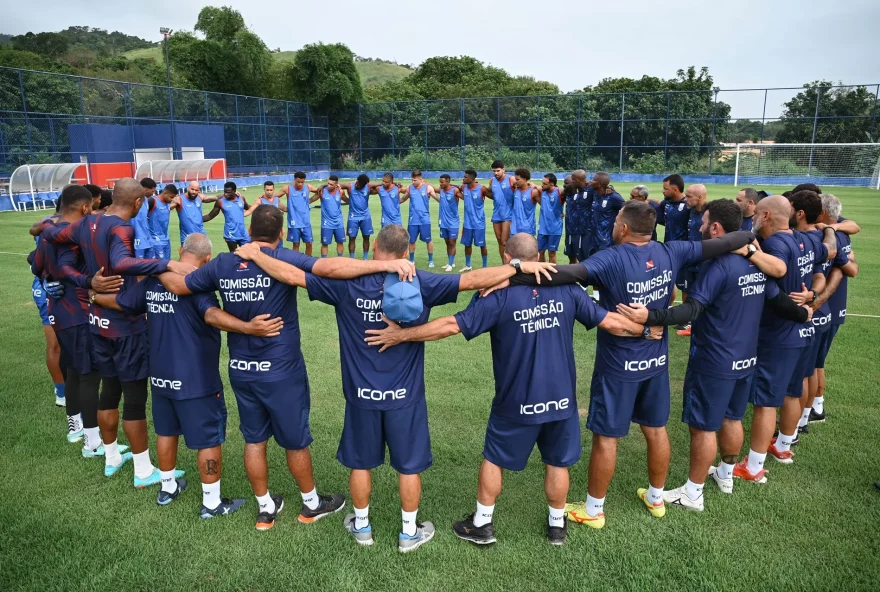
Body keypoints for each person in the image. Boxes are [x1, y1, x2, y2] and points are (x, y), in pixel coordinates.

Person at [235, 225, 557, 551]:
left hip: (361, 396)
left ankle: (362, 527)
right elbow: (471, 280)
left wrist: (256, 254)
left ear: (375, 247)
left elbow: (292, 275)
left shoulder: (349, 282)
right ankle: (408, 533)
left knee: (361, 464)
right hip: (406, 397)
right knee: (407, 467)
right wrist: (515, 268)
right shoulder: (420, 281)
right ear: (406, 253)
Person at [364, 233, 650, 546]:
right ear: (539, 255)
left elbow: (450, 326)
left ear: (505, 256)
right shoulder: (566, 288)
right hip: (562, 399)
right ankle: (557, 527)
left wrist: (402, 336)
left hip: (517, 399)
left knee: (495, 459)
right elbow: (612, 322)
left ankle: (482, 524)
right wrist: (650, 326)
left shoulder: (497, 294)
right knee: (557, 462)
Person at [158, 205, 417, 531]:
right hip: (281, 370)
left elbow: (180, 285)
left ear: (249, 229)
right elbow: (331, 268)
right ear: (280, 234)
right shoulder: (282, 258)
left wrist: (156, 267)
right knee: (295, 441)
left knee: (255, 440)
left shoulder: (223, 262)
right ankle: (311, 503)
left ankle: (265, 508)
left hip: (241, 367)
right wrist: (387, 264)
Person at [506, 201, 755, 527]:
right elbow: (726, 242)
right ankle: (656, 499)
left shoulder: (612, 258)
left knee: (607, 438)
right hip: (656, 362)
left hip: (617, 366)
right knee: (655, 429)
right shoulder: (672, 251)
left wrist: (516, 266)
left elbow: (563, 274)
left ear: (623, 227)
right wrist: (749, 245)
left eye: (616, 221)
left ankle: (594, 510)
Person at [617, 199, 805, 510]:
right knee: (732, 417)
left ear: (716, 227)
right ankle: (726, 474)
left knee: (703, 426)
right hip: (746, 358)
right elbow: (778, 289)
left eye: (704, 224)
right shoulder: (756, 260)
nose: (701, 228)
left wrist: (650, 317)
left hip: (715, 360)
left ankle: (693, 493)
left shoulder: (718, 266)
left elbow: (692, 309)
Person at [92, 233, 282, 516]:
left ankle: (167, 488)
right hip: (196, 380)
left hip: (160, 376)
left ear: (180, 250)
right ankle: (211, 502)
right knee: (207, 439)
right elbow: (211, 316)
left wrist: (93, 295)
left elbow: (121, 302)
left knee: (166, 431)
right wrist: (248, 327)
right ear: (207, 259)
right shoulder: (197, 283)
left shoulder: (153, 280)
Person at [41, 178, 192, 485]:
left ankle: (111, 457)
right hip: (125, 325)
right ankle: (142, 470)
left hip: (96, 321)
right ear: (137, 204)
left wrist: (86, 282)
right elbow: (122, 262)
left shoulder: (88, 222)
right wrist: (165, 264)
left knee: (109, 391)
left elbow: (54, 239)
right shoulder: (124, 228)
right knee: (135, 399)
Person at [734, 194, 836, 480]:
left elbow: (772, 288)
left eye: (758, 214)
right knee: (793, 390)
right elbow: (826, 257)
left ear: (766, 217)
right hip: (803, 332)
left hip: (780, 333)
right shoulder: (804, 240)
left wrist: (801, 310)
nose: (753, 218)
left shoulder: (775, 244)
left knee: (766, 402)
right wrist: (813, 297)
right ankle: (783, 446)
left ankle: (753, 467)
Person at [31, 186, 124, 447]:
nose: (94, 212)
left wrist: (47, 279)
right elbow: (64, 268)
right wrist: (88, 282)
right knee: (89, 376)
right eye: (93, 207)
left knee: (72, 370)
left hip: (59, 313)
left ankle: (75, 426)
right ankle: (92, 442)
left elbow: (37, 264)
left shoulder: (50, 233)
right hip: (79, 313)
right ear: (85, 208)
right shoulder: (73, 235)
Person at [784, 191, 843, 448]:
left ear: (798, 212)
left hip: (806, 314)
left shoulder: (801, 240)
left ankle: (793, 430)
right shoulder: (825, 235)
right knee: (810, 372)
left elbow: (846, 266)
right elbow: (830, 265)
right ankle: (803, 421)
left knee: (800, 378)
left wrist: (812, 299)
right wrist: (816, 295)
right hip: (818, 311)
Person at [809, 194, 859, 423]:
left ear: (822, 213)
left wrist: (842, 257)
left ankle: (810, 411)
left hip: (827, 305)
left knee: (813, 364)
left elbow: (851, 269)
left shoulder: (831, 234)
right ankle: (817, 407)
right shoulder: (839, 229)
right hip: (832, 305)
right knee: (817, 362)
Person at [675, 184, 710, 337]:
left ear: (700, 197)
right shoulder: (690, 211)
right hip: (690, 257)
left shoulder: (711, 213)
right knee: (686, 289)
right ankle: (687, 319)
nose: (685, 199)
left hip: (704, 258)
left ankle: (703, 320)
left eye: (689, 196)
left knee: (703, 290)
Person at [400, 170, 437, 268]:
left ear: (421, 179)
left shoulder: (428, 188)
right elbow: (403, 199)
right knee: (411, 241)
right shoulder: (410, 188)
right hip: (413, 220)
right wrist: (393, 201)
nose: (413, 182)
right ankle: (411, 260)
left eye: (415, 180)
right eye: (412, 180)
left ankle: (431, 260)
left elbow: (438, 199)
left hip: (424, 219)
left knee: (428, 240)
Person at [276, 172, 318, 256]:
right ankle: (296, 263)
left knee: (309, 243)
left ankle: (308, 262)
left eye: (302, 182)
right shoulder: (287, 188)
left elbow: (320, 192)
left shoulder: (308, 187)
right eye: (298, 182)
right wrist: (284, 208)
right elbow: (274, 197)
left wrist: (309, 201)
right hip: (294, 223)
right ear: (294, 179)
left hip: (305, 222)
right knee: (296, 244)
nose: (300, 184)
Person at [203, 182, 252, 252]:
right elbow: (210, 216)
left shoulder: (241, 198)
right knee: (234, 256)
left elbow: (248, 208)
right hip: (230, 235)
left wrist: (258, 205)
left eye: (228, 192)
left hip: (243, 233)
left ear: (234, 191)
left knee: (249, 253)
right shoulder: (220, 202)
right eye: (225, 192)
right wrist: (197, 219)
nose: (226, 194)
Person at [460, 169, 491, 271]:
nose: (463, 178)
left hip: (479, 223)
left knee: (482, 245)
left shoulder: (482, 189)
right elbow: (457, 188)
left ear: (472, 178)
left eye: (465, 177)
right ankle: (468, 265)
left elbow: (494, 196)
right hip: (467, 223)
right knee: (467, 244)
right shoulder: (464, 187)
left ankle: (485, 266)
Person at [310, 175, 348, 258]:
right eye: (328, 183)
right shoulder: (322, 191)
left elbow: (348, 201)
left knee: (340, 242)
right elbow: (310, 200)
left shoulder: (340, 192)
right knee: (325, 243)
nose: (329, 186)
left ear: (336, 185)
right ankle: (323, 261)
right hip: (326, 223)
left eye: (331, 184)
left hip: (339, 222)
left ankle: (340, 259)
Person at [341, 174, 375, 260]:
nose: (357, 185)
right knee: (352, 238)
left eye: (359, 185)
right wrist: (323, 185)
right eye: (357, 183)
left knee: (366, 237)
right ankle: (352, 259)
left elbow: (381, 184)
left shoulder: (368, 187)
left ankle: (365, 259)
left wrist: (396, 183)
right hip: (353, 217)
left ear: (364, 185)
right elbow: (337, 185)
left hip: (365, 217)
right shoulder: (350, 186)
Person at [589, 172, 624, 253]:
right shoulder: (595, 194)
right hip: (593, 240)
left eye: (594, 180)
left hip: (606, 242)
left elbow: (628, 209)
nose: (591, 181)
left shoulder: (613, 197)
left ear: (600, 184)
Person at [433, 174, 462, 271]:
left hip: (453, 222)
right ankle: (451, 262)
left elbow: (465, 197)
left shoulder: (455, 191)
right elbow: (433, 189)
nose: (440, 184)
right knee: (447, 243)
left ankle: (450, 264)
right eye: (440, 182)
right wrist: (424, 182)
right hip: (443, 222)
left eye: (442, 182)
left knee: (452, 242)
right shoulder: (441, 190)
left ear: (448, 181)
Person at [563, 170, 592, 263]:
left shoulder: (590, 191)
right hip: (570, 230)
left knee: (583, 258)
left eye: (573, 179)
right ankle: (572, 276)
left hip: (582, 232)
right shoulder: (568, 193)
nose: (571, 181)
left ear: (579, 179)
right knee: (571, 256)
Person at [487, 160, 514, 260]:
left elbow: (521, 188)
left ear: (503, 169)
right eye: (494, 171)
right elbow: (490, 192)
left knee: (504, 241)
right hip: (496, 214)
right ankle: (504, 263)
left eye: (498, 171)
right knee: (499, 240)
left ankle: (510, 262)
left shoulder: (511, 179)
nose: (496, 173)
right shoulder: (492, 180)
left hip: (508, 214)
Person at [537, 173, 564, 263]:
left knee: (552, 253)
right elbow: (535, 187)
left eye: (545, 183)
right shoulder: (542, 191)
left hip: (555, 229)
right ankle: (542, 272)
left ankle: (552, 275)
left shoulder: (559, 192)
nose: (542, 185)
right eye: (542, 183)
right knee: (540, 252)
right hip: (542, 229)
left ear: (552, 184)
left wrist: (565, 213)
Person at [149, 184, 178, 260]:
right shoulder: (153, 201)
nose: (172, 199)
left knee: (168, 263)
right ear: (165, 193)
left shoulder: (167, 203)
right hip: (155, 239)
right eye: (171, 197)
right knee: (160, 265)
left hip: (166, 238)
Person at [509, 168, 540, 237]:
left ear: (525, 179)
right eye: (515, 179)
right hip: (514, 227)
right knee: (513, 247)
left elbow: (544, 204)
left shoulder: (533, 192)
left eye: (518, 179)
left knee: (527, 247)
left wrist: (559, 213)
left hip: (528, 228)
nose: (516, 181)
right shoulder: (516, 189)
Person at [659, 174, 689, 243]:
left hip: (682, 249)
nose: (663, 191)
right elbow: (659, 202)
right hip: (668, 248)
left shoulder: (688, 206)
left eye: (666, 189)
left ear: (675, 190)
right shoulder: (667, 203)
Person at [133, 178, 157, 258]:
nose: (153, 194)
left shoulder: (146, 200)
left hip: (147, 238)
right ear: (146, 189)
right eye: (152, 191)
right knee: (139, 266)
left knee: (151, 265)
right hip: (137, 239)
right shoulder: (133, 200)